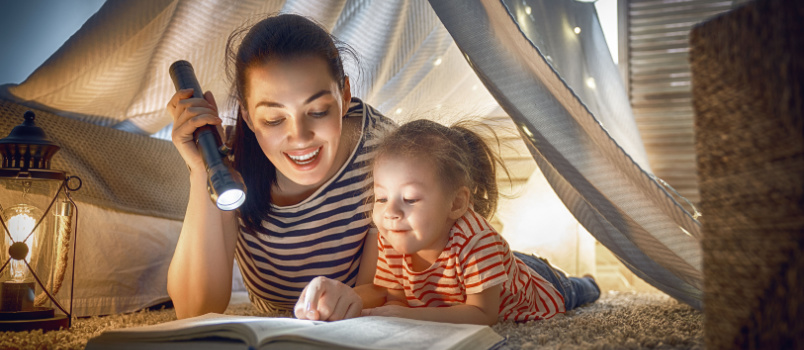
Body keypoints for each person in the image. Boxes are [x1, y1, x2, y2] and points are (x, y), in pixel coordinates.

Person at [165, 13, 396, 320]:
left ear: (344, 95)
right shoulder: (231, 166)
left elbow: (387, 289)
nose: (300, 137)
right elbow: (195, 309)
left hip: (352, 325)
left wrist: (353, 299)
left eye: (317, 111)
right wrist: (201, 169)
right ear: (247, 117)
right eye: (274, 119)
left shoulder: (385, 152)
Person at [296, 119, 600, 324]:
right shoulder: (393, 235)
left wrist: (410, 317)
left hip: (537, 281)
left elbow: (483, 314)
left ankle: (588, 280)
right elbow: (397, 298)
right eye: (380, 197)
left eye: (411, 199)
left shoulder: (478, 241)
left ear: (455, 203)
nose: (391, 212)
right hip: (488, 270)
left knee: (577, 291)